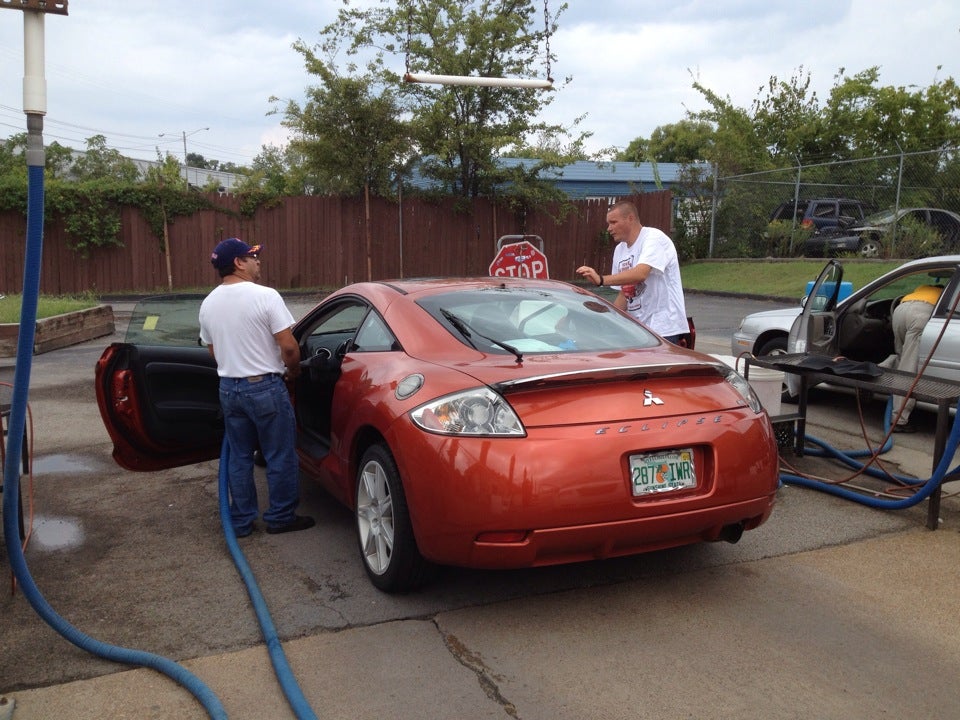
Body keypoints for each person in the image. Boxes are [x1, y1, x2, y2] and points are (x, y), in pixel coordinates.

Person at [199, 238, 315, 536]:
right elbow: (288, 347)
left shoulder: (208, 303)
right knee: (279, 455)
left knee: (239, 456)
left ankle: (240, 521)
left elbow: (213, 350)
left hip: (229, 389)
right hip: (265, 388)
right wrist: (294, 371)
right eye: (253, 256)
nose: (258, 260)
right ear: (238, 263)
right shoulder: (265, 296)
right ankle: (280, 517)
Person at [576, 200, 689, 343]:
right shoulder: (620, 250)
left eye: (613, 222)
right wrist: (607, 317)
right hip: (638, 329)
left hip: (663, 328)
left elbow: (640, 274)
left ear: (630, 218)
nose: (609, 228)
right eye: (608, 223)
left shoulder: (654, 238)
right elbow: (625, 293)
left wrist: (601, 280)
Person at [888, 283, 944, 433]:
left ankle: (874, 375)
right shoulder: (945, 292)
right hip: (921, 314)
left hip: (901, 309)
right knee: (908, 367)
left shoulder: (922, 288)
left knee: (901, 357)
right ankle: (898, 420)